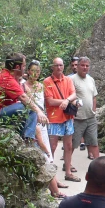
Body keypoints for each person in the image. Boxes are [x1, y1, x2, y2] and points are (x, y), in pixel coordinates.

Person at [24, 60, 68, 199]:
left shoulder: (40, 85)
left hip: (44, 122)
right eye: (33, 70)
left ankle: (54, 181)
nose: (35, 74)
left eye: (38, 71)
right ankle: (55, 190)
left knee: (49, 155)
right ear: (28, 71)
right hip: (34, 122)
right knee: (44, 153)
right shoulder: (24, 86)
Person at [0, 53, 46, 144]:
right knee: (29, 108)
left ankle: (23, 137)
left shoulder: (8, 76)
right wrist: (39, 112)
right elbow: (23, 98)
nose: (25, 68)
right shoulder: (6, 78)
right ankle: (28, 140)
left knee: (28, 109)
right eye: (24, 66)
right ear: (17, 67)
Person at [44, 57, 80, 182]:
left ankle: (68, 172)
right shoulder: (47, 82)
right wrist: (65, 101)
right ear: (52, 67)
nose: (59, 68)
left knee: (68, 145)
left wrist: (67, 100)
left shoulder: (68, 80)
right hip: (54, 118)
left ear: (64, 66)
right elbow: (50, 100)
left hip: (68, 117)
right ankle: (52, 177)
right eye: (56, 65)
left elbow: (74, 94)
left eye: (61, 65)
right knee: (52, 146)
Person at [71, 57, 100, 161]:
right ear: (77, 66)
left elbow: (94, 96)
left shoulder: (91, 79)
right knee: (73, 144)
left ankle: (100, 166)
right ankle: (68, 165)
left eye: (87, 66)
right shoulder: (71, 79)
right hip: (77, 118)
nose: (85, 67)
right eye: (82, 65)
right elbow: (68, 96)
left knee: (93, 142)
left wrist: (94, 110)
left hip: (90, 117)